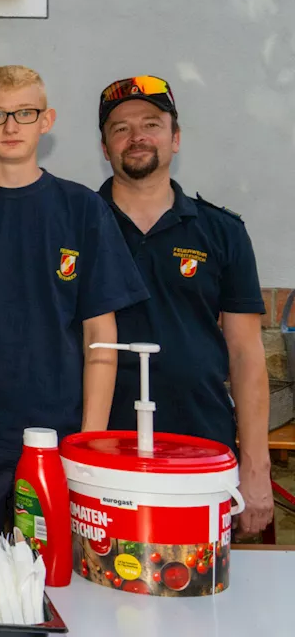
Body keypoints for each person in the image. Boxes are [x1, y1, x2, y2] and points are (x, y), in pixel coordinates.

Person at [0, 66, 148, 528]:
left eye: (24, 113)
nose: (11, 126)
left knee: (57, 588)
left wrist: (89, 450)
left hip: (57, 444)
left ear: (47, 120)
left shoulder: (82, 208)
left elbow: (101, 336)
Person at [96, 75, 274, 534]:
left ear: (175, 138)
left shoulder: (222, 233)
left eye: (151, 124)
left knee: (197, 587)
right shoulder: (73, 226)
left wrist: (255, 469)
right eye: (120, 128)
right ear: (104, 146)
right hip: (97, 450)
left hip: (201, 450)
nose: (136, 137)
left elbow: (246, 355)